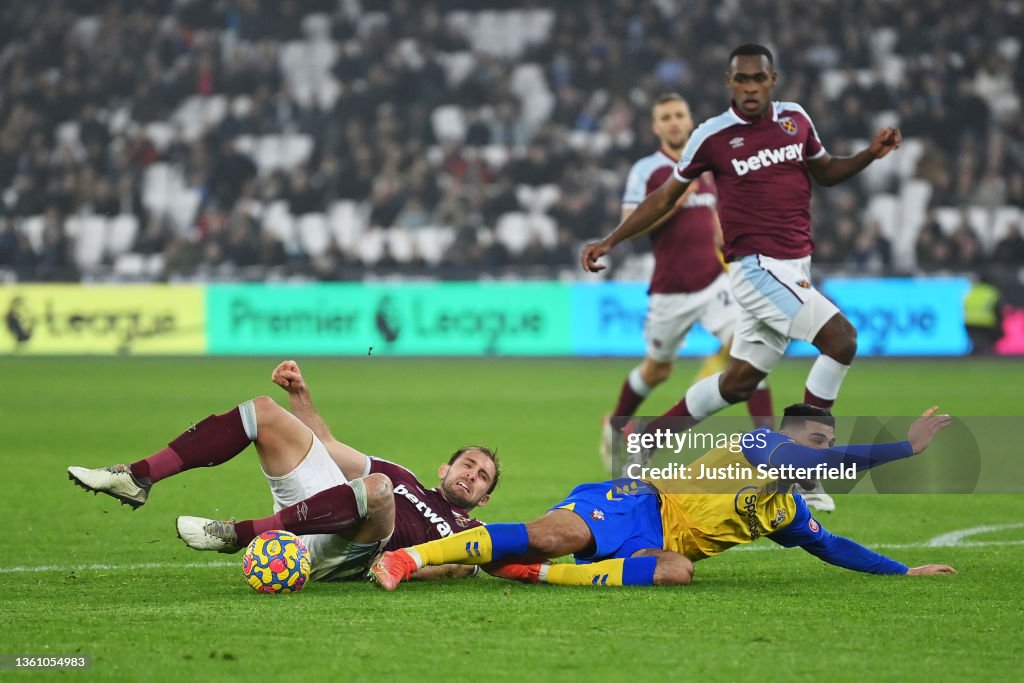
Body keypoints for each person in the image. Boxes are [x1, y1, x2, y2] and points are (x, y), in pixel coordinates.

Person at [583, 44, 903, 511]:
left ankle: (646, 439)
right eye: (742, 80)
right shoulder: (711, 136)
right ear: (729, 83)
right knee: (842, 340)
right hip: (754, 269)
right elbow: (666, 197)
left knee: (737, 384)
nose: (750, 87)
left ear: (773, 80)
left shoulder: (796, 120)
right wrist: (611, 239)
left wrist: (868, 156)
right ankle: (804, 464)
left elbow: (827, 172)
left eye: (759, 79)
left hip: (795, 267)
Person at [370, 405, 957, 590]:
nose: (818, 455)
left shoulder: (786, 511)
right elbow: (818, 462)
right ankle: (411, 557)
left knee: (678, 574)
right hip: (638, 502)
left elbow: (832, 548)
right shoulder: (759, 444)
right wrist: (903, 449)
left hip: (656, 545)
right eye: (814, 442)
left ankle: (532, 573)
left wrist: (902, 570)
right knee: (556, 534)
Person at [67, 360, 501, 582]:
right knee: (263, 411)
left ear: (484, 498)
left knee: (377, 489)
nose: (471, 474)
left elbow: (458, 566)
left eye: (482, 476)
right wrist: (301, 397)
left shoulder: (471, 530)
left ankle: (238, 535)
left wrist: (406, 566)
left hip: (358, 552)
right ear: (445, 467)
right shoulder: (403, 474)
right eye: (468, 464)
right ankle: (138, 476)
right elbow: (328, 449)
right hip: (321, 512)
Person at [602, 93, 774, 469]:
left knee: (749, 351)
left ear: (690, 119)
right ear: (656, 127)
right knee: (657, 370)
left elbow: (715, 223)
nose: (675, 122)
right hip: (670, 291)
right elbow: (630, 226)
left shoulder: (707, 168)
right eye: (666, 117)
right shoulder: (648, 170)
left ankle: (771, 449)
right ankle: (616, 426)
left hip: (715, 285)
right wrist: (674, 201)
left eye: (680, 114)